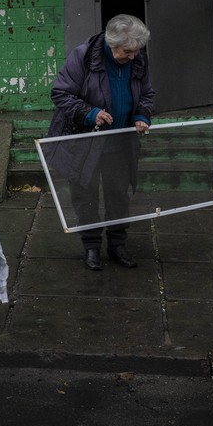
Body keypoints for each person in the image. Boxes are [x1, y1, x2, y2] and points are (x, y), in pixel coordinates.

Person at [48, 14, 155, 271]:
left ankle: (118, 245)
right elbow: (60, 93)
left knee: (119, 195)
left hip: (120, 140)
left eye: (136, 52)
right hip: (85, 140)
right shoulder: (84, 56)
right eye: (127, 51)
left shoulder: (137, 58)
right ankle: (92, 247)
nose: (132, 57)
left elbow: (147, 93)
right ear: (111, 43)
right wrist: (90, 112)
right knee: (85, 196)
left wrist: (141, 115)